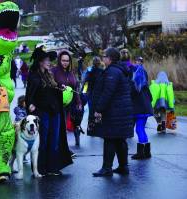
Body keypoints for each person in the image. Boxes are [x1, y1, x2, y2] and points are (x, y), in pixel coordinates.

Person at [25, 46, 72, 176]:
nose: (49, 62)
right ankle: (41, 168)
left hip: (54, 111)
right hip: (42, 112)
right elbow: (30, 94)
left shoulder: (49, 74)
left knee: (54, 140)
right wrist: (31, 105)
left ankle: (52, 167)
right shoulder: (34, 76)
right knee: (43, 141)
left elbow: (53, 90)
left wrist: (60, 88)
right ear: (40, 61)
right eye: (46, 60)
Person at [87, 47, 134, 177]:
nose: (103, 58)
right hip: (121, 111)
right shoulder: (120, 70)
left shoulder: (112, 71)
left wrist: (99, 109)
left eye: (105, 56)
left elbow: (108, 92)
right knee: (120, 139)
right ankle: (123, 166)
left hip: (114, 112)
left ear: (111, 58)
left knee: (109, 138)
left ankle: (106, 168)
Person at [52, 51, 82, 148]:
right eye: (63, 60)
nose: (65, 62)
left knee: (69, 125)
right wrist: (59, 87)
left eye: (67, 61)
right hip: (57, 104)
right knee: (60, 127)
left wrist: (79, 102)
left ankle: (64, 148)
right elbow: (50, 86)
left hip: (70, 104)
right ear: (59, 60)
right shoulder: (54, 71)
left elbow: (75, 88)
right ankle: (59, 149)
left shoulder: (71, 73)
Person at [130, 57, 153, 160]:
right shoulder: (146, 87)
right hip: (146, 108)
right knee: (141, 129)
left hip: (139, 110)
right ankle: (147, 152)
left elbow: (132, 95)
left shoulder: (135, 88)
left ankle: (141, 153)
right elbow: (151, 97)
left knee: (139, 129)